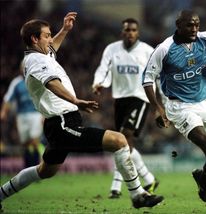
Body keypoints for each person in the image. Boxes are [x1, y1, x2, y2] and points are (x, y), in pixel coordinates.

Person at [0, 12, 163, 210]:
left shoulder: (40, 56)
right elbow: (52, 83)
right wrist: (75, 100)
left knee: (45, 171)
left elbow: (52, 48)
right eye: (47, 35)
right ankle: (138, 195)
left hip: (60, 123)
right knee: (119, 141)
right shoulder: (36, 60)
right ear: (34, 39)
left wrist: (64, 30)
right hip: (62, 123)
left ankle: (1, 194)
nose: (51, 39)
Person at [142, 10, 206, 211]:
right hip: (180, 106)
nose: (194, 29)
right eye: (190, 25)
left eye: (197, 25)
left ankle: (203, 175)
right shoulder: (164, 49)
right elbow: (148, 79)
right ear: (178, 25)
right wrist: (158, 109)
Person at [92, 18, 159, 199]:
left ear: (138, 32)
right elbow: (103, 68)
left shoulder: (147, 51)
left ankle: (116, 186)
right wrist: (98, 83)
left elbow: (157, 74)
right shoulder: (112, 49)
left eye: (133, 30)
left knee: (123, 137)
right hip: (120, 99)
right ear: (122, 32)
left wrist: (160, 102)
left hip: (140, 98)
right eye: (127, 30)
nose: (130, 33)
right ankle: (149, 178)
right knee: (125, 143)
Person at [1, 63, 44, 168]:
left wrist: (45, 114)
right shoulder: (16, 83)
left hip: (36, 114)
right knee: (25, 143)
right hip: (22, 116)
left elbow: (44, 98)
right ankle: (27, 168)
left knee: (34, 141)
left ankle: (38, 167)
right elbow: (8, 99)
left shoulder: (37, 81)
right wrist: (4, 112)